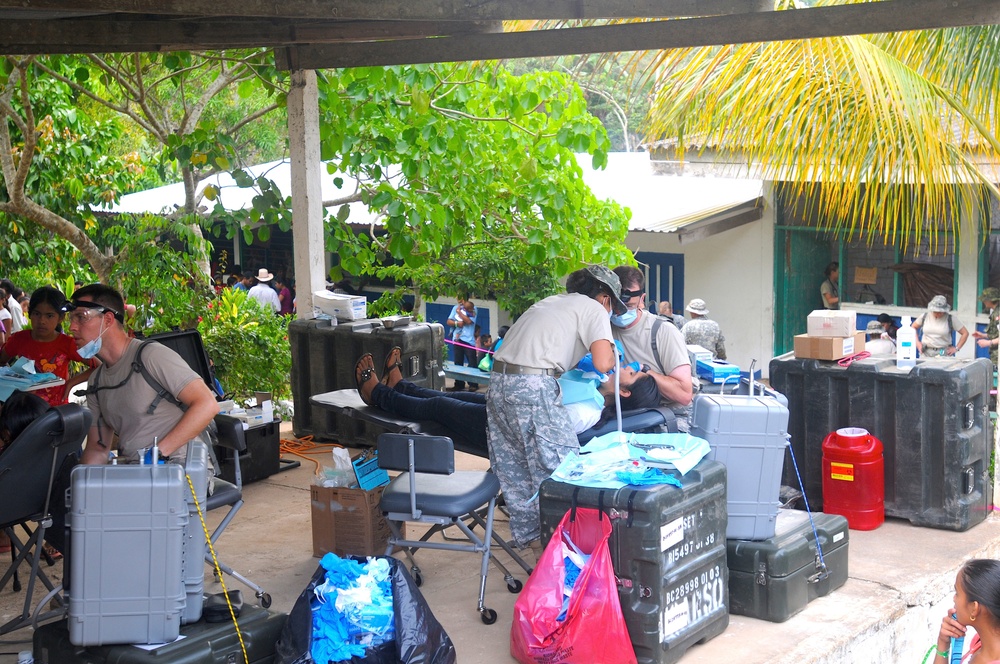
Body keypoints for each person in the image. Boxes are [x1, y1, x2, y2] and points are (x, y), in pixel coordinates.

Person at [486, 265, 625, 553]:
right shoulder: (595, 309)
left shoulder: (550, 302)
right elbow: (602, 364)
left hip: (498, 384)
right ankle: (568, 556)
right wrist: (613, 356)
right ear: (605, 298)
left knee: (517, 472)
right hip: (532, 387)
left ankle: (537, 554)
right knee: (564, 471)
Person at [355, 347, 660, 458]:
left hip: (506, 435)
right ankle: (399, 384)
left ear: (623, 393)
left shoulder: (588, 411)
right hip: (505, 412)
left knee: (440, 409)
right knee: (451, 397)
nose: (621, 366)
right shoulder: (589, 380)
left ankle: (378, 395)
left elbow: (541, 427)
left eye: (628, 373)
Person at [66, 284, 219, 467]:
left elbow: (207, 404)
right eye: (71, 319)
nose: (72, 327)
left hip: (181, 466)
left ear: (108, 319)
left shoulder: (150, 355)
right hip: (139, 472)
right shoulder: (96, 382)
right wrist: (81, 484)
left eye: (80, 318)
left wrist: (157, 455)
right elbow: (97, 449)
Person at [613, 266, 694, 429]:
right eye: (616, 304)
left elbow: (684, 395)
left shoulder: (662, 331)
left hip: (662, 415)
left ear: (641, 299)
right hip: (622, 413)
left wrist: (644, 371)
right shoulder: (603, 328)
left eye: (627, 305)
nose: (620, 312)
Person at [0, 286, 98, 406]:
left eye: (49, 315)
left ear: (61, 318)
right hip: (24, 409)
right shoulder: (19, 339)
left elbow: (98, 366)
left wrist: (70, 383)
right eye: (37, 314)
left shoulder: (67, 343)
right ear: (29, 313)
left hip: (56, 411)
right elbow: (2, 360)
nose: (42, 321)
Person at [932, 558, 1000, 663]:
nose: (954, 598)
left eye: (957, 593)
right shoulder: (979, 643)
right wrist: (943, 643)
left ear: (974, 608)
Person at [446, 296, 479, 392]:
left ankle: (473, 384)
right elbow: (449, 321)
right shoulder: (455, 308)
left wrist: (459, 313)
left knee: (472, 362)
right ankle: (459, 384)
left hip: (468, 340)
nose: (459, 300)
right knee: (458, 362)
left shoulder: (473, 309)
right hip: (457, 339)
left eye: (461, 298)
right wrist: (457, 324)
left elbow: (469, 321)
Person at [974, 287, 1000, 368]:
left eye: (985, 300)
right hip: (995, 354)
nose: (984, 302)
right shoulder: (995, 312)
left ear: (990, 300)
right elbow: (996, 334)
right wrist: (983, 335)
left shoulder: (998, 314)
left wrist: (988, 343)